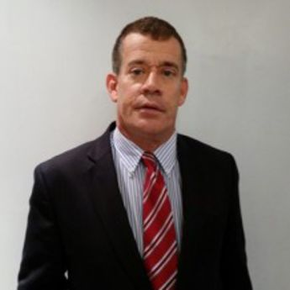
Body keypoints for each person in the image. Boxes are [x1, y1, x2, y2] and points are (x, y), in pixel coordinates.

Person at [17, 16, 253, 290]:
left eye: (167, 72)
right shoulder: (59, 180)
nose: (151, 84)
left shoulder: (218, 171)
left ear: (182, 91)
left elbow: (233, 277)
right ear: (114, 86)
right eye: (137, 71)